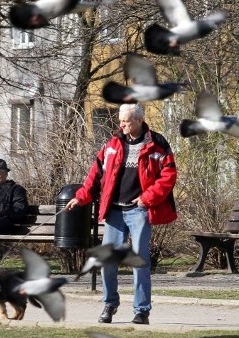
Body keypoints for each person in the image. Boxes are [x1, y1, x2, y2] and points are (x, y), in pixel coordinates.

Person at [65, 103, 177, 325]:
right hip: (114, 211)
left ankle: (142, 310)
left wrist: (147, 198)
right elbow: (95, 174)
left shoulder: (157, 144)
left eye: (125, 121)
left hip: (139, 210)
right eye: (121, 120)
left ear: (138, 120)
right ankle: (109, 304)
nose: (121, 124)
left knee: (140, 260)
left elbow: (169, 176)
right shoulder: (112, 144)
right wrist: (81, 196)